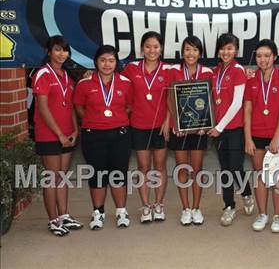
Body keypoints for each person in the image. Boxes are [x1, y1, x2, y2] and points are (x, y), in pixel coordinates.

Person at [73, 45, 133, 230]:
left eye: (111, 60)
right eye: (103, 60)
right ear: (96, 61)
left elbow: (129, 106)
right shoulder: (84, 84)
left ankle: (121, 211)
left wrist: (115, 119)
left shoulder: (125, 82)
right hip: (93, 135)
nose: (107, 64)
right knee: (98, 175)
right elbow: (79, 107)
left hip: (120, 134)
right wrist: (94, 120)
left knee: (118, 174)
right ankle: (98, 212)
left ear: (116, 62)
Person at [32, 35, 82, 236]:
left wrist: (75, 128)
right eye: (57, 50)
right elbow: (43, 108)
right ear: (48, 51)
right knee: (52, 178)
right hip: (49, 135)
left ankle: (64, 215)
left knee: (62, 176)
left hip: (67, 134)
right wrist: (59, 134)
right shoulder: (42, 74)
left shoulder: (67, 76)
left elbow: (69, 105)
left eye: (65, 50)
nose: (62, 54)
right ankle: (53, 220)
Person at [244, 39, 279, 233]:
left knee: (277, 175)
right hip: (256, 134)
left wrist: (276, 137)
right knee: (260, 175)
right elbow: (247, 111)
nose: (262, 59)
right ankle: (263, 214)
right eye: (259, 56)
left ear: (274, 57)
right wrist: (247, 138)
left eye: (266, 55)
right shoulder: (251, 79)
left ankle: (278, 216)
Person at [122, 31, 171, 223]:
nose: (152, 50)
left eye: (156, 47)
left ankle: (158, 204)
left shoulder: (168, 70)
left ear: (161, 49)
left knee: (159, 166)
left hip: (160, 126)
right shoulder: (131, 69)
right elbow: (117, 87)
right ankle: (145, 206)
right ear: (142, 48)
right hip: (139, 125)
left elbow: (171, 98)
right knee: (143, 167)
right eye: (148, 46)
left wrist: (168, 120)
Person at [207, 33, 254, 226]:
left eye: (230, 48)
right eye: (223, 48)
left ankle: (247, 193)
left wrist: (219, 127)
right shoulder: (215, 71)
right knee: (225, 168)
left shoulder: (238, 70)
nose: (226, 52)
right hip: (218, 129)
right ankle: (229, 206)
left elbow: (236, 104)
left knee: (235, 167)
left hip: (233, 128)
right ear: (218, 50)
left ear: (236, 50)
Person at [167, 36, 213, 225]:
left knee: (197, 169)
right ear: (182, 52)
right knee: (182, 169)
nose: (190, 53)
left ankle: (196, 208)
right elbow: (170, 99)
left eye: (194, 50)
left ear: (200, 53)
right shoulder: (174, 72)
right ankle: (185, 209)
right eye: (187, 49)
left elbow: (210, 101)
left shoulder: (208, 72)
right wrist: (176, 123)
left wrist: (205, 124)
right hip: (180, 130)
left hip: (199, 130)